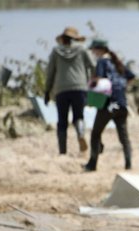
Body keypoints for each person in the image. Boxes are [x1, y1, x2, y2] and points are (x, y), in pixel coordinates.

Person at [83, 37, 135, 172]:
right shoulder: (117, 62)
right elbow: (131, 77)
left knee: (95, 134)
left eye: (94, 50)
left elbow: (99, 80)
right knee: (123, 136)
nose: (93, 53)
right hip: (122, 104)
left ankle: (92, 164)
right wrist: (121, 88)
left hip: (108, 105)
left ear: (99, 50)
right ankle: (128, 164)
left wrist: (90, 87)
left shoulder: (101, 62)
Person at [45, 26, 95, 155]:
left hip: (61, 90)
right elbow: (93, 66)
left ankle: (63, 151)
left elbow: (50, 72)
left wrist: (47, 91)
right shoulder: (82, 50)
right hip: (80, 88)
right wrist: (93, 83)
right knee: (78, 116)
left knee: (62, 120)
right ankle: (81, 134)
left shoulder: (55, 51)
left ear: (62, 39)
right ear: (76, 39)